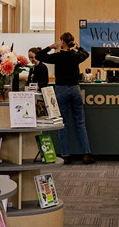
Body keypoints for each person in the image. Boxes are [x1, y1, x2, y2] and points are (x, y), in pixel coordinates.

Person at [36, 32, 94, 164]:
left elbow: (39, 56)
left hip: (61, 89)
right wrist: (78, 48)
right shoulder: (76, 55)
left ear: (62, 42)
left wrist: (50, 47)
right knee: (80, 123)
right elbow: (86, 54)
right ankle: (86, 154)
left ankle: (65, 155)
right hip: (75, 89)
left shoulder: (57, 56)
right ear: (72, 42)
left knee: (63, 124)